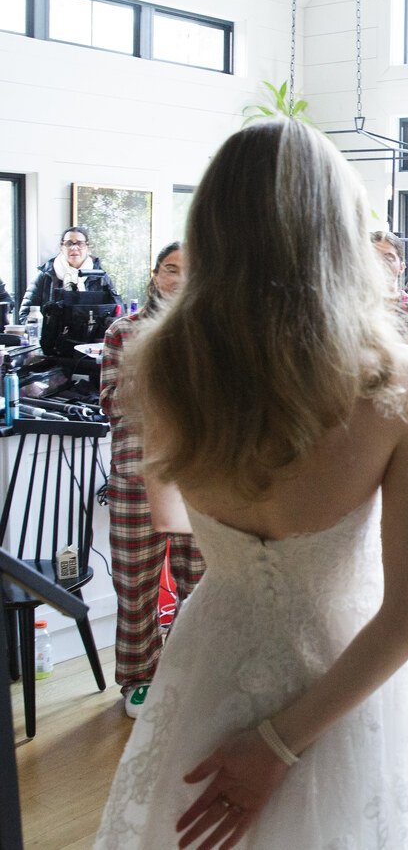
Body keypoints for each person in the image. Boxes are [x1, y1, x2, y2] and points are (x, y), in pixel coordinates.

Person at [94, 118, 408, 848]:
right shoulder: (400, 380)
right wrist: (276, 745)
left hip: (212, 659)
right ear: (336, 232)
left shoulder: (163, 367)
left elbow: (170, 514)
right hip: (346, 673)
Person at [100, 242, 206, 720]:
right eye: (169, 270)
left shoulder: (214, 332)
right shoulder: (124, 331)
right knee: (136, 586)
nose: (178, 279)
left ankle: (189, 671)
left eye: (189, 271)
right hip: (136, 476)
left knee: (201, 583)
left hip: (201, 477)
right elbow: (112, 401)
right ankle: (139, 677)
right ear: (155, 274)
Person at [20, 226, 122, 322]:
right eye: (69, 243)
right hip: (52, 339)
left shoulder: (100, 276)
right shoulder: (46, 275)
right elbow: (25, 314)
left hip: (92, 338)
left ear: (87, 247)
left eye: (80, 244)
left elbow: (118, 312)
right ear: (62, 247)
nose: (74, 248)